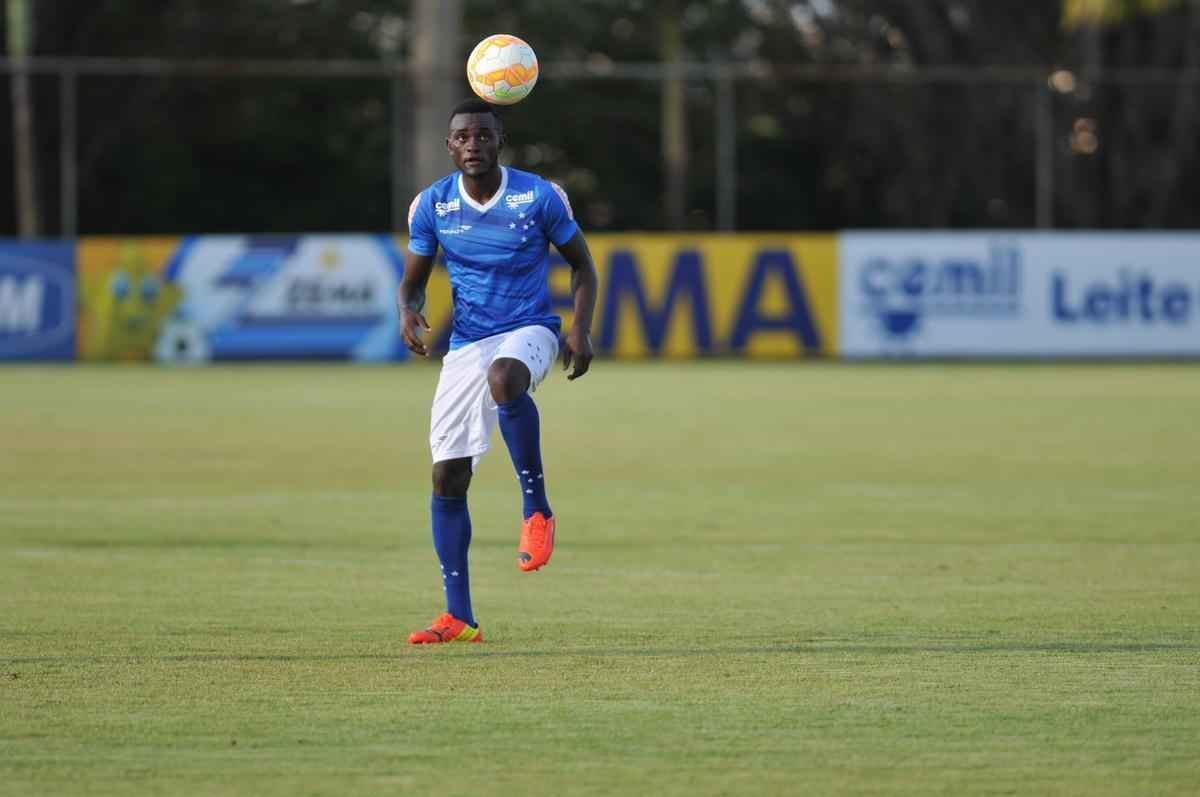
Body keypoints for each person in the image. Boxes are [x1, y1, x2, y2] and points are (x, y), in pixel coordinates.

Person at [399, 98, 598, 644]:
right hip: (467, 344)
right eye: (462, 137)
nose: (473, 145)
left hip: (530, 327)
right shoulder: (432, 205)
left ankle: (537, 510)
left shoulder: (537, 195)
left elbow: (582, 265)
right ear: (449, 145)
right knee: (447, 477)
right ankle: (459, 617)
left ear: (499, 140)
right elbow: (415, 276)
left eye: (483, 136)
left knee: (506, 377)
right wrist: (409, 308)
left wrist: (578, 328)